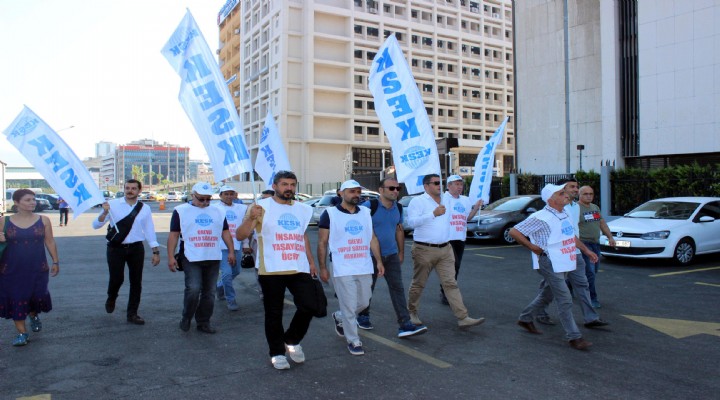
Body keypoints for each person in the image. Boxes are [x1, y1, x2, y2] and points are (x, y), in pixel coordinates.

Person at [236, 171, 320, 370]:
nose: (289, 188)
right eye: (284, 184)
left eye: (292, 184)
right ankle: (276, 352)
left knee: (310, 305)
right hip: (271, 268)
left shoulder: (302, 209)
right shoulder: (260, 207)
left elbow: (303, 236)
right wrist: (250, 219)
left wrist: (311, 261)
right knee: (273, 313)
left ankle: (291, 339)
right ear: (275, 186)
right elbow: (240, 235)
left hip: (298, 266)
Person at [510, 184, 599, 350]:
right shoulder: (540, 217)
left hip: (565, 259)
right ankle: (574, 337)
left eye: (565, 192)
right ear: (551, 199)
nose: (566, 195)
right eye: (561, 193)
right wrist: (533, 247)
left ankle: (525, 318)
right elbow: (514, 232)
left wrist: (586, 250)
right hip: (549, 262)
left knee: (547, 294)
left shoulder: (563, 213)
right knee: (564, 298)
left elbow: (569, 235)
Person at [406, 174, 485, 329]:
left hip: (445, 248)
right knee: (419, 283)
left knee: (450, 283)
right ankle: (412, 312)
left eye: (440, 182)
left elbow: (462, 213)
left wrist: (475, 206)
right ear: (426, 186)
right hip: (424, 249)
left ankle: (463, 317)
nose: (439, 186)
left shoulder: (447, 199)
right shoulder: (418, 201)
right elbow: (411, 223)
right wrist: (433, 214)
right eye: (435, 183)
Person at [317, 180, 385, 356]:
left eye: (358, 191)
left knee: (363, 301)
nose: (356, 195)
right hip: (341, 265)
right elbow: (322, 243)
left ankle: (340, 316)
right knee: (348, 304)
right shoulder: (330, 214)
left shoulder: (366, 212)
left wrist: (378, 261)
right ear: (341, 193)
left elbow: (372, 238)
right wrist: (323, 267)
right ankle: (353, 340)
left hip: (363, 264)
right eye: (351, 191)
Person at [355, 178, 427, 337]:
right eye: (391, 188)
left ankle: (405, 324)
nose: (395, 191)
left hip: (391, 255)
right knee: (368, 288)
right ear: (381, 190)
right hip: (370, 256)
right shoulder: (369, 207)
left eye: (398, 188)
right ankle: (363, 315)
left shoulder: (399, 208)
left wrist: (401, 252)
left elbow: (399, 230)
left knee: (397, 289)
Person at [534, 179, 609, 328]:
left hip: (574, 252)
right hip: (557, 254)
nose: (576, 189)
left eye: (577, 187)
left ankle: (591, 318)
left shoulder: (575, 206)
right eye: (572, 187)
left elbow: (574, 230)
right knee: (550, 287)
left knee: (582, 284)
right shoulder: (554, 207)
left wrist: (584, 250)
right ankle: (538, 312)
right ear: (561, 189)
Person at [167, 182, 235, 334]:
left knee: (209, 292)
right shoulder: (181, 211)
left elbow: (225, 232)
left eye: (207, 199)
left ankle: (204, 322)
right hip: (191, 256)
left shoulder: (218, 211)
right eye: (201, 199)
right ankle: (186, 316)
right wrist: (171, 256)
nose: (205, 202)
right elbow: (174, 234)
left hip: (212, 256)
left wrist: (230, 251)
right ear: (193, 196)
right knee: (193, 289)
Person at [93, 179, 160, 325]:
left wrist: (155, 251)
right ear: (123, 189)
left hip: (136, 248)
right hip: (115, 248)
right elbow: (96, 225)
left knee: (136, 282)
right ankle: (112, 297)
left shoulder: (145, 208)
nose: (130, 190)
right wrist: (104, 213)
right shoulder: (113, 204)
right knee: (117, 279)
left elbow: (149, 230)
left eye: (133, 188)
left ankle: (132, 313)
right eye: (127, 188)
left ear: (139, 191)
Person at [0, 189, 60, 346]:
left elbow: (50, 241)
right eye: (28, 200)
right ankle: (22, 333)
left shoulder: (44, 220)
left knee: (36, 296)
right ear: (17, 203)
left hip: (37, 267)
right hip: (11, 268)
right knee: (16, 298)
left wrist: (55, 261)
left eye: (33, 199)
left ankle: (33, 315)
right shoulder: (4, 221)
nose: (33, 202)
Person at [440, 175, 483, 304]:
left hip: (460, 237)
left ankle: (447, 291)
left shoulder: (465, 200)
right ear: (449, 186)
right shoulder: (443, 198)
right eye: (456, 184)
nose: (459, 187)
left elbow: (467, 218)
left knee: (456, 268)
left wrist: (476, 208)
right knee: (452, 265)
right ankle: (447, 293)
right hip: (447, 238)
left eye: (461, 184)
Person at [213, 185, 250, 311]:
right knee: (227, 274)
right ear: (220, 195)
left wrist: (246, 244)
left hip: (237, 245)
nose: (229, 196)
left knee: (236, 271)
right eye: (226, 194)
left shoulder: (241, 208)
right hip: (221, 247)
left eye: (231, 194)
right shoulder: (214, 208)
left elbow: (244, 227)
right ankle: (231, 299)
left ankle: (219, 286)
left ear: (235, 195)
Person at [578, 185, 615, 308]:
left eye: (591, 194)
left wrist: (610, 237)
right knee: (590, 273)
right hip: (584, 245)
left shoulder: (595, 207)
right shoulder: (576, 209)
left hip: (595, 244)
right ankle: (592, 298)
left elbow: (602, 223)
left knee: (594, 270)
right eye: (585, 194)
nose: (589, 196)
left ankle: (569, 284)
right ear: (580, 195)